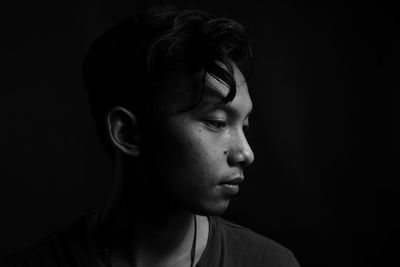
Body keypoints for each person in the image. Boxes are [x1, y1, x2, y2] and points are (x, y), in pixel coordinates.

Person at [0, 4, 300, 267]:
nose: (245, 153)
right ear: (127, 132)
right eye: (217, 122)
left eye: (244, 125)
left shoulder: (270, 262)